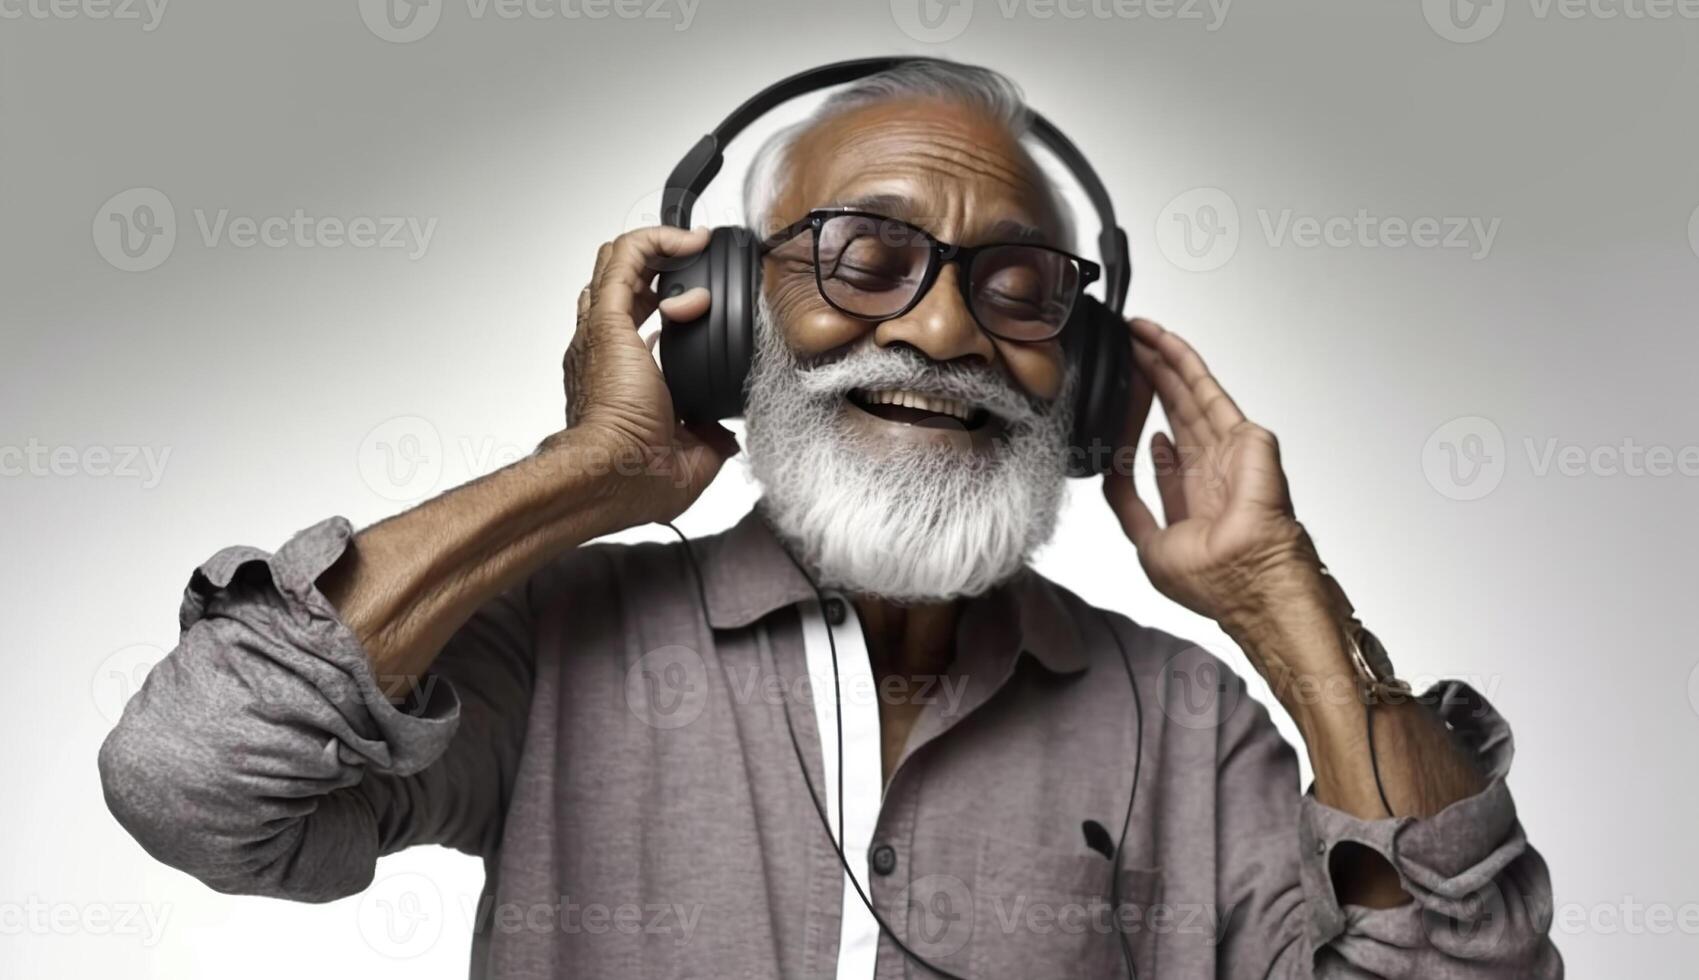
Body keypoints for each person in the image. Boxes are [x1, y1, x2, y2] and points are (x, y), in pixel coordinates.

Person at [98, 60, 1560, 978]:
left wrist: (1279, 595)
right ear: (726, 316)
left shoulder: (1187, 720)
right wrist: (588, 467)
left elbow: (1471, 969)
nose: (940, 330)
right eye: (864, 256)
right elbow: (193, 784)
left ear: (1088, 374)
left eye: (1017, 285)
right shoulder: (555, 651)